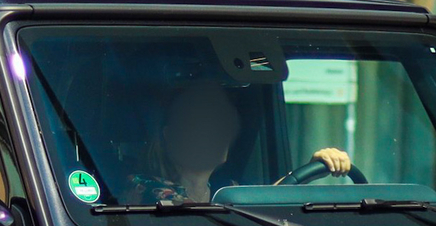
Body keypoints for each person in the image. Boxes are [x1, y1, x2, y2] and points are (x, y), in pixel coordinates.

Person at [129, 80, 355, 203]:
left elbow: (262, 202)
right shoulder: (144, 187)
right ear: (172, 134)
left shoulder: (227, 189)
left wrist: (314, 167)